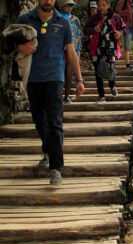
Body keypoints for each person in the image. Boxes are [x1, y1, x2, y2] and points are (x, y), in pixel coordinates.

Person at [16, 0, 85, 184]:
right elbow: (10, 44)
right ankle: (48, 149)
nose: (47, 1)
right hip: (32, 77)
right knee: (39, 120)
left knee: (55, 121)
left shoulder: (63, 22)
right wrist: (20, 47)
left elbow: (71, 52)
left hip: (55, 77)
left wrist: (79, 79)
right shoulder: (25, 19)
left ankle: (55, 167)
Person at [84, 0, 127, 102]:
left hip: (110, 48)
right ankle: (101, 95)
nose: (101, 7)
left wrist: (119, 34)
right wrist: (94, 29)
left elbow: (125, 29)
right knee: (98, 71)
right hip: (96, 48)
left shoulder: (115, 17)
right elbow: (85, 30)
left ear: (108, 5)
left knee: (111, 67)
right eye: (99, 5)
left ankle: (112, 86)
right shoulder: (93, 18)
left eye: (104, 5)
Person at [60, 0, 82, 103]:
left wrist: (78, 51)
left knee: (69, 71)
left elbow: (78, 36)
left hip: (71, 48)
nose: (69, 7)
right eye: (67, 5)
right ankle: (59, 94)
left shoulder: (76, 20)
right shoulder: (58, 18)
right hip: (59, 48)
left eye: (71, 6)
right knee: (59, 71)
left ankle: (66, 95)